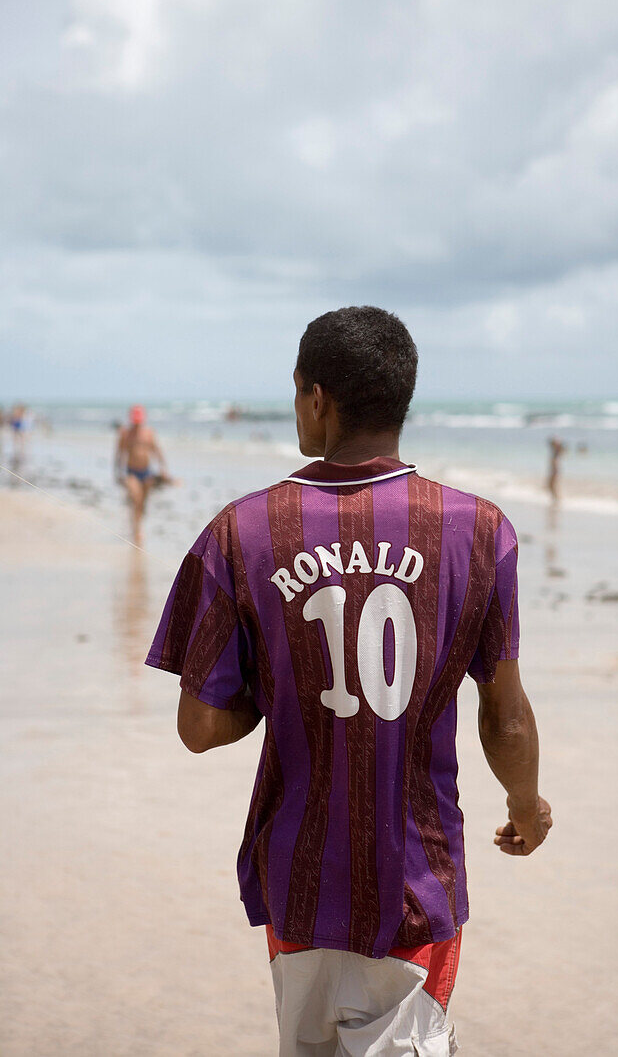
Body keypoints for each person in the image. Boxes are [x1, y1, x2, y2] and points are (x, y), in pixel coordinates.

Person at [145, 307, 551, 1056]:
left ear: (316, 398)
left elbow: (198, 728)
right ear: (400, 400)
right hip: (415, 884)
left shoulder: (241, 532)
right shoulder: (479, 530)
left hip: (295, 877)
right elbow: (506, 718)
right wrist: (526, 805)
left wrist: (282, 686)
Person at [114, 405, 169, 545]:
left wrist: (163, 468)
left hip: (146, 472)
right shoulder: (125, 434)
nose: (137, 424)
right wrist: (117, 472)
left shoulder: (149, 433)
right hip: (131, 472)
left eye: (139, 421)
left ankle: (138, 523)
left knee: (143, 503)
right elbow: (119, 453)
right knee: (136, 498)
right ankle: (136, 530)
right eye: (135, 421)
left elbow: (156, 450)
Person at [546, 435, 566, 500]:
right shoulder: (555, 451)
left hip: (555, 470)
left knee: (552, 485)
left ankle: (556, 499)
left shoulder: (557, 451)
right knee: (551, 485)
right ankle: (555, 499)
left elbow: (562, 448)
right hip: (554, 470)